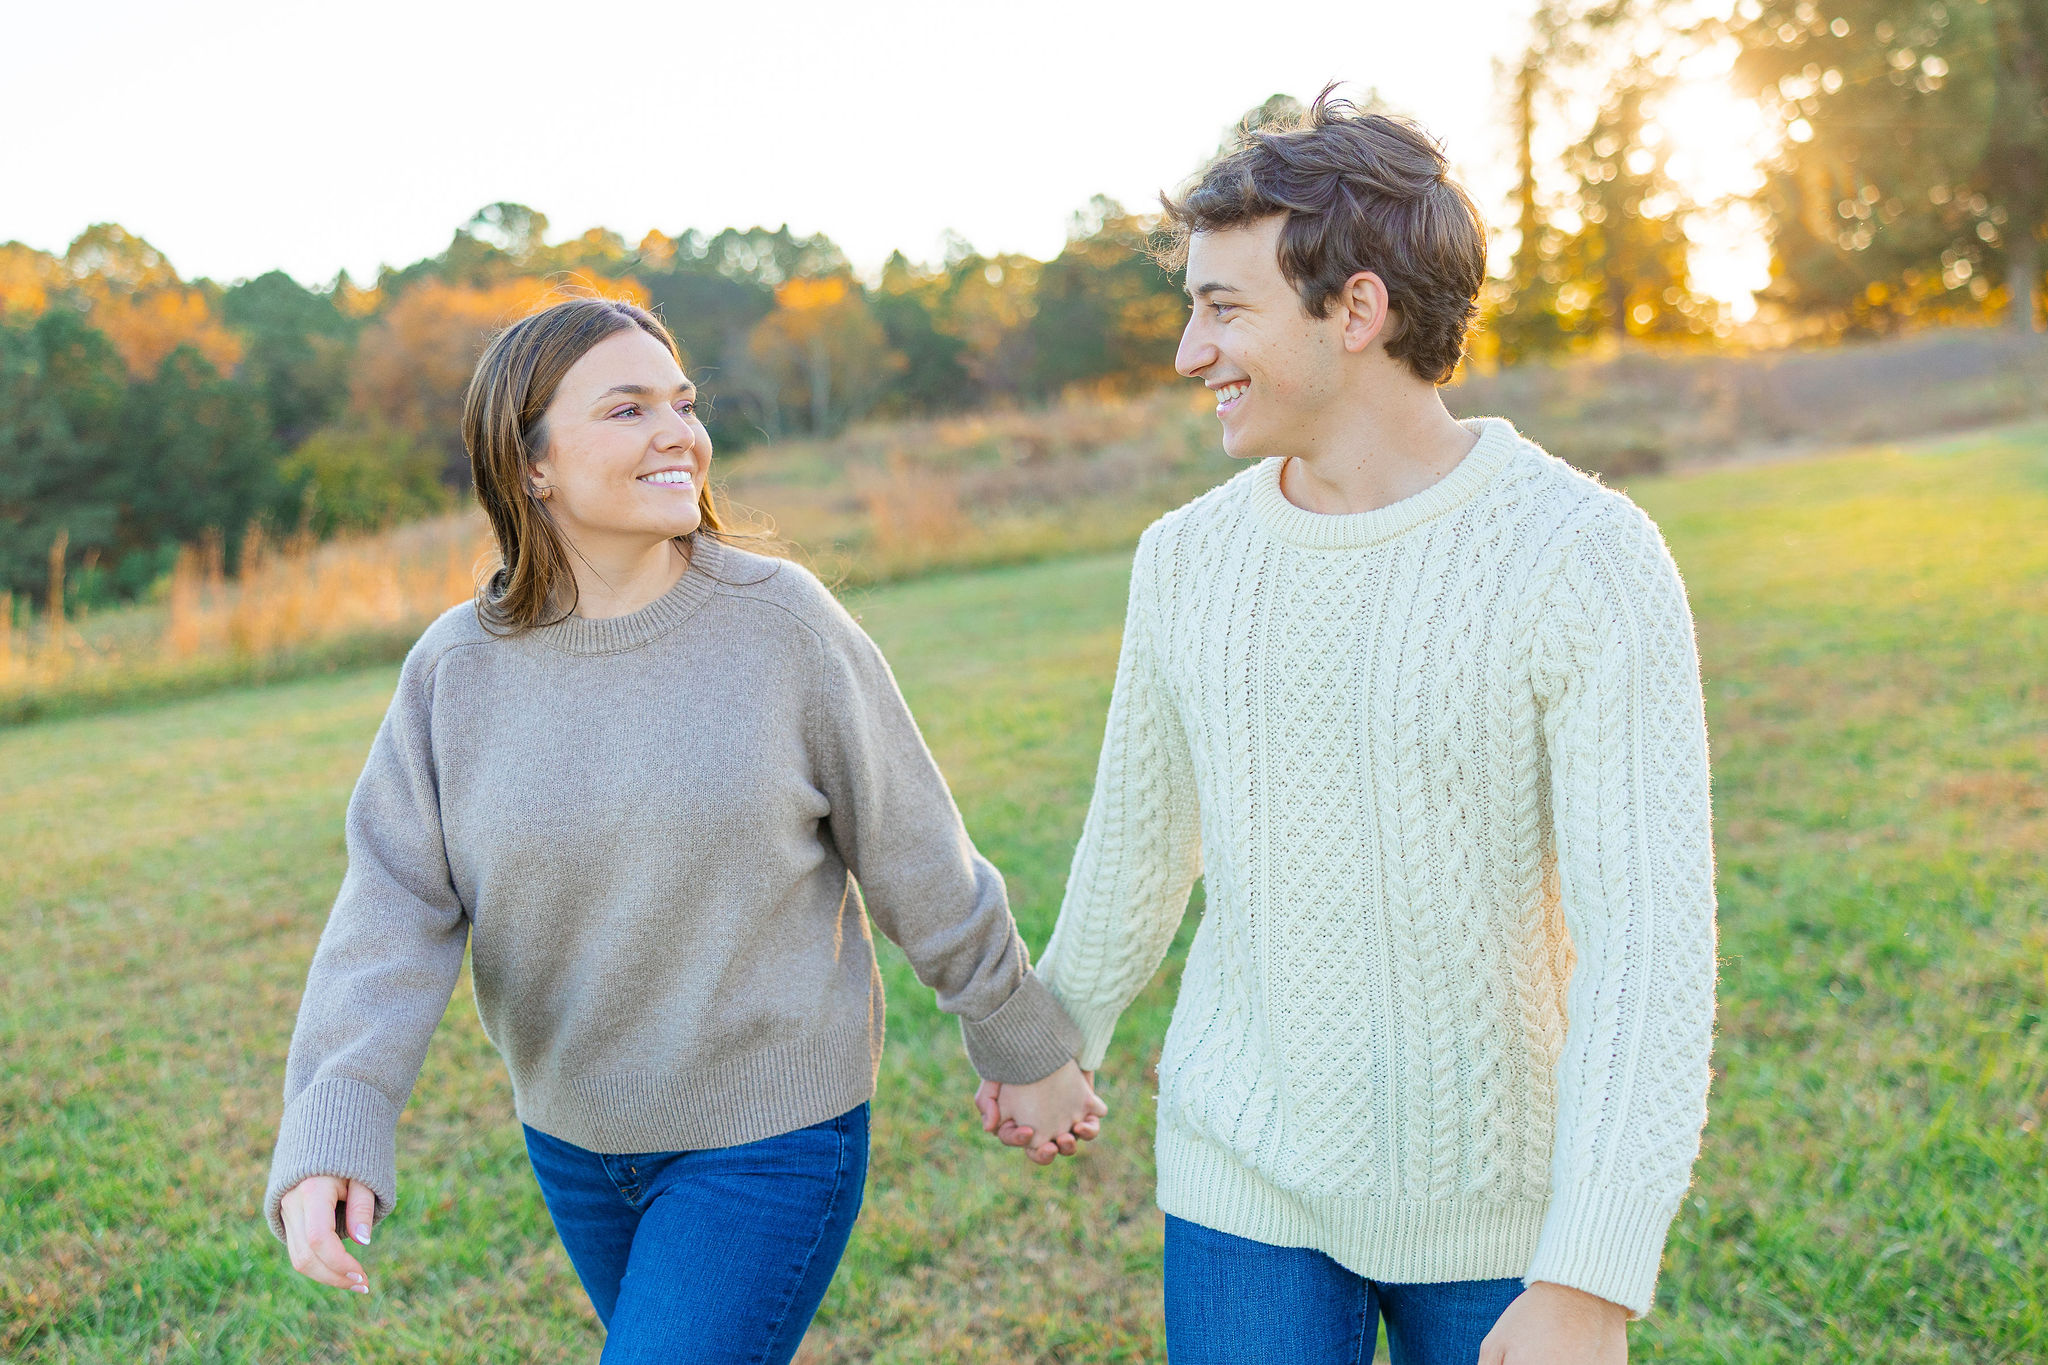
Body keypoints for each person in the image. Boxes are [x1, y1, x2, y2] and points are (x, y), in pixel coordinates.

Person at [976, 91, 1717, 1364]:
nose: (1185, 353)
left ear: (1357, 311)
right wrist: (1054, 1035)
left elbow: (1647, 947)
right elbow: (1141, 841)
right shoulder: (1185, 561)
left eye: (1223, 309)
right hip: (1242, 1164)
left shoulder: (1580, 557)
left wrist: (1589, 1279)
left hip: (1497, 1199)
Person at [262, 296, 1106, 1363]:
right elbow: (392, 909)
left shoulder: (781, 623)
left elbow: (913, 853)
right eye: (627, 409)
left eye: (684, 403)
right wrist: (335, 1121)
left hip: (770, 1136)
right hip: (574, 1141)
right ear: (531, 467)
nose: (678, 434)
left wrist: (1019, 1040)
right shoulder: (454, 669)